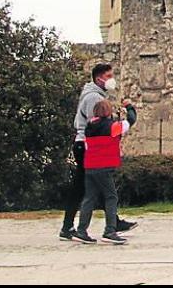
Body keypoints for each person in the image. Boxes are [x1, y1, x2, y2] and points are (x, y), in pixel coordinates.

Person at [60, 63, 137, 239]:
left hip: (84, 145)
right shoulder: (94, 98)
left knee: (88, 188)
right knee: (93, 188)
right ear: (99, 78)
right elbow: (97, 125)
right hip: (87, 147)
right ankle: (109, 226)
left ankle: (78, 227)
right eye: (108, 76)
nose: (112, 79)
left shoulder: (93, 95)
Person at [73, 98, 137, 244]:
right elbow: (131, 120)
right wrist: (128, 106)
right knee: (111, 197)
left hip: (90, 166)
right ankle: (110, 231)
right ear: (108, 112)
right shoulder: (113, 127)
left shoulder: (89, 127)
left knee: (89, 198)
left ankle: (81, 230)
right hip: (105, 166)